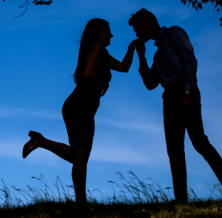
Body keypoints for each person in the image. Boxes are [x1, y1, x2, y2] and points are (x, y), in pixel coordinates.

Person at [129, 8, 222, 202]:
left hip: (185, 93)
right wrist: (141, 57)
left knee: (200, 143)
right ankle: (181, 200)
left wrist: (187, 93)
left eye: (138, 28)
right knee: (174, 150)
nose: (137, 34)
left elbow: (189, 61)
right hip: (169, 99)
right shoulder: (157, 56)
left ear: (149, 23)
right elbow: (151, 84)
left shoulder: (174, 32)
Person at [23, 18, 141, 203]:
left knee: (78, 156)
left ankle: (41, 141)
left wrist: (132, 47)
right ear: (100, 31)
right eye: (108, 30)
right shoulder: (97, 48)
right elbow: (88, 73)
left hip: (77, 106)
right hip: (80, 107)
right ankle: (81, 202)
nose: (111, 34)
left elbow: (124, 67)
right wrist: (104, 82)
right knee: (81, 157)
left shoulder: (100, 52)